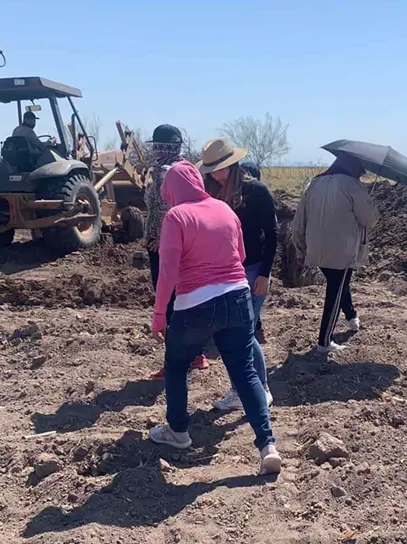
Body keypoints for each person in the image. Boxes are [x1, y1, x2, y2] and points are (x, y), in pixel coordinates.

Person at [148, 160, 282, 476]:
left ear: (173, 189)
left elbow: (167, 272)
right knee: (245, 370)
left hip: (195, 303)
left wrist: (158, 314)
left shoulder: (176, 216)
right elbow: (242, 255)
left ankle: (178, 432)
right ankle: (267, 445)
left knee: (177, 364)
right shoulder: (225, 210)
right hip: (237, 298)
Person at [199, 140, 276, 411]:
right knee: (229, 332)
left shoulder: (256, 191)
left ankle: (261, 388)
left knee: (244, 331)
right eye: (212, 170)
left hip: (252, 269)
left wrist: (265, 274)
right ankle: (239, 389)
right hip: (224, 270)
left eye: (220, 169)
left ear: (233, 165)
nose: (216, 175)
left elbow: (272, 235)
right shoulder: (211, 192)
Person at [291, 155, 380, 354]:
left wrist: (300, 247)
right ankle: (324, 341)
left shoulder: (314, 182)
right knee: (336, 290)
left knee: (339, 284)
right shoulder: (351, 185)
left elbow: (299, 219)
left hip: (315, 247)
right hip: (342, 249)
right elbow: (370, 219)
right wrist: (371, 203)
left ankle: (351, 317)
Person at [142, 124, 210, 379]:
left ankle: (175, 362)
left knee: (170, 303)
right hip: (189, 242)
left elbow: (161, 209)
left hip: (164, 245)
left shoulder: (163, 173)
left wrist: (157, 241)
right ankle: (197, 355)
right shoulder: (189, 169)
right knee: (187, 299)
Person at [239, 159, 267, 344]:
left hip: (243, 260)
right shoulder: (260, 196)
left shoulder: (232, 199)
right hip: (254, 259)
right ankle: (255, 329)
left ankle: (254, 329)